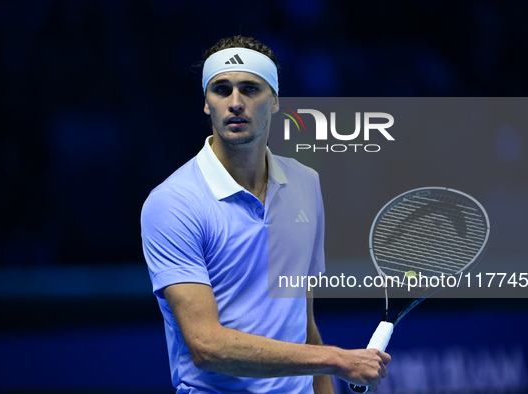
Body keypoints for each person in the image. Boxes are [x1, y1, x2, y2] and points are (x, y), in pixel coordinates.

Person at [141, 35, 390, 393]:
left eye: (250, 89)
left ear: (274, 101)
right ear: (206, 104)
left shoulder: (305, 183)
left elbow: (302, 323)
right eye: (221, 90)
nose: (235, 103)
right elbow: (206, 346)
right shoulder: (173, 202)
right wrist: (337, 359)